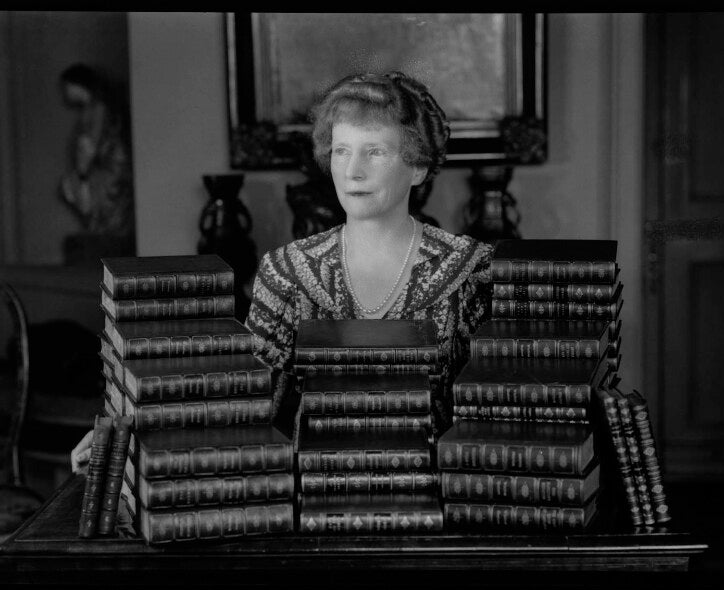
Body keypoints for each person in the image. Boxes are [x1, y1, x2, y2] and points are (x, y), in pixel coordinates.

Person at [71, 71, 492, 472]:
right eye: (342, 151)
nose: (353, 171)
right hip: (312, 492)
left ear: (418, 167)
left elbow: (494, 407)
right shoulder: (288, 271)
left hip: (439, 495)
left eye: (375, 152)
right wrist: (127, 432)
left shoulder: (471, 269)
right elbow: (247, 399)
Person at [59, 63, 134, 238]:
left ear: (77, 84)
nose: (65, 92)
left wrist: (84, 167)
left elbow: (92, 142)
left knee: (86, 195)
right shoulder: (90, 109)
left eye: (67, 86)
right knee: (71, 189)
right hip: (94, 168)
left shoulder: (99, 108)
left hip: (105, 168)